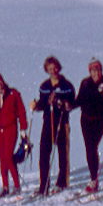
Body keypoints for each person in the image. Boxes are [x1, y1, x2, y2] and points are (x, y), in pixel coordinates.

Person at [30, 56, 76, 195]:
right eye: (50, 69)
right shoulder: (44, 86)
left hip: (62, 122)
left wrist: (61, 103)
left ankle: (62, 182)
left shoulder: (67, 85)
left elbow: (71, 104)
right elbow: (43, 103)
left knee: (62, 153)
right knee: (44, 153)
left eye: (55, 68)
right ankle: (44, 185)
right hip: (48, 122)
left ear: (59, 68)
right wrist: (36, 105)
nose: (53, 71)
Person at [73, 58, 103, 193]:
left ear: (101, 70)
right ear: (90, 71)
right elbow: (79, 99)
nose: (96, 73)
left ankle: (94, 180)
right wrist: (68, 106)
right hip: (86, 119)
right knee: (89, 148)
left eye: (98, 70)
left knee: (92, 146)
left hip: (99, 120)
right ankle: (94, 179)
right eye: (93, 71)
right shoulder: (85, 83)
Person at [0, 72, 28, 197]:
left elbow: (21, 111)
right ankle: (5, 186)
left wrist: (23, 128)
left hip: (11, 127)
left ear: (3, 81)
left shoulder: (13, 93)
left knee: (8, 157)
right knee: (2, 159)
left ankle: (16, 185)